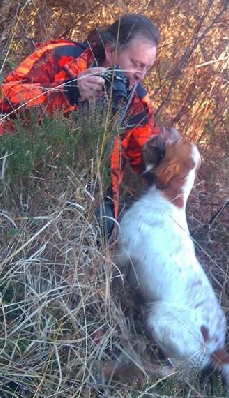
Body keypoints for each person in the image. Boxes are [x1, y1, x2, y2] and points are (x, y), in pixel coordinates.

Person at [0, 13, 161, 237]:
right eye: (135, 64)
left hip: (80, 191)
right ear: (111, 51)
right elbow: (6, 96)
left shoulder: (137, 101)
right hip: (23, 161)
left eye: (147, 68)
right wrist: (68, 90)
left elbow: (145, 160)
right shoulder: (62, 57)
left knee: (102, 228)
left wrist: (168, 155)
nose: (140, 75)